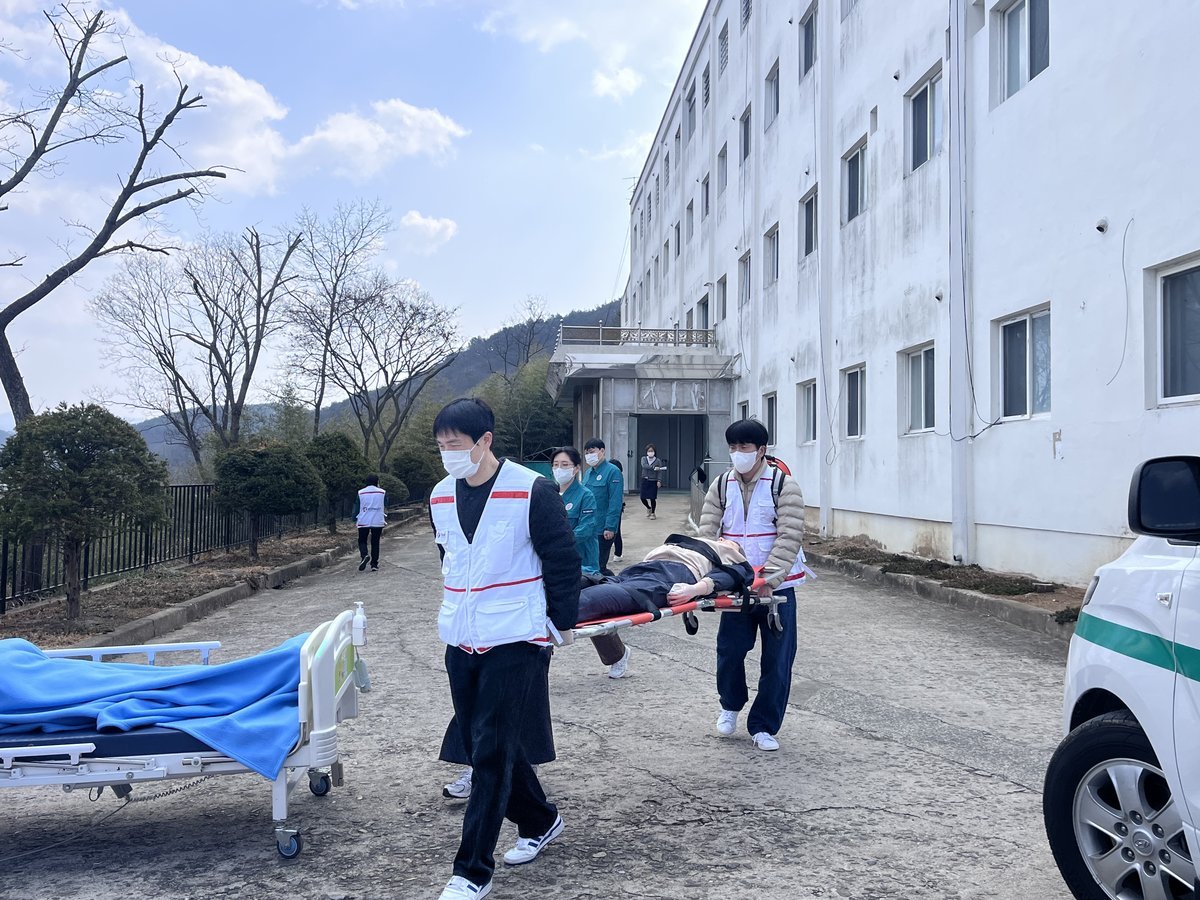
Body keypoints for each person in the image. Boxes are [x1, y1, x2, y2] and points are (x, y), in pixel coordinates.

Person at [429, 398, 581, 900]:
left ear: (485, 441)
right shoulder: (440, 495)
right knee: (483, 743)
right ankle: (540, 819)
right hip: (461, 635)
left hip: (516, 636)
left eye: (455, 444)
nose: (448, 453)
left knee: (490, 753)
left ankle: (472, 871)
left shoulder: (530, 489)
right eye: (441, 445)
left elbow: (562, 559)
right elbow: (450, 557)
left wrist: (560, 623)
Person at [699, 418, 809, 753]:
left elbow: (789, 535)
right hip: (737, 585)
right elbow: (707, 533)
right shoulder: (721, 485)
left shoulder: (783, 485)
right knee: (729, 650)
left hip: (777, 590)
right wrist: (711, 576)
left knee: (777, 659)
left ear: (761, 450)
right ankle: (730, 704)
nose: (737, 453)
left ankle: (763, 726)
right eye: (732, 447)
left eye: (744, 447)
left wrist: (769, 580)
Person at [578, 535, 754, 680]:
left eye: (733, 543)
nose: (724, 539)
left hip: (668, 577)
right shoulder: (693, 542)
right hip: (638, 570)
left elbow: (730, 577)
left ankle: (561, 618)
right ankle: (614, 652)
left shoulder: (732, 558)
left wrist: (694, 589)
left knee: (589, 601)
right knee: (575, 583)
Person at [552, 447, 599, 575]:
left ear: (576, 468)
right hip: (554, 560)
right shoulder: (549, 493)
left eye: (565, 465)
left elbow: (586, 528)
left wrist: (559, 542)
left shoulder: (585, 495)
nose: (559, 469)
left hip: (582, 561)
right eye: (555, 465)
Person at [582, 438, 624, 577]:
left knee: (599, 566)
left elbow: (615, 501)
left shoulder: (613, 471)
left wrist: (610, 526)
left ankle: (612, 584)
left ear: (602, 451)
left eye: (592, 452)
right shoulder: (588, 473)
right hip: (588, 527)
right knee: (588, 565)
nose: (589, 456)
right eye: (587, 453)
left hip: (603, 528)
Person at [354, 474, 386, 571]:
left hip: (364, 520)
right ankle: (374, 564)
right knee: (375, 542)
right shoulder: (382, 492)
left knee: (362, 540)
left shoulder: (360, 493)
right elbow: (386, 503)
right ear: (377, 482)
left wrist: (354, 518)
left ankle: (364, 555)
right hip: (377, 520)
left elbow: (357, 507)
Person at [638, 444, 668, 520]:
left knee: (652, 498)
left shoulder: (658, 460)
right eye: (649, 451)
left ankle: (653, 513)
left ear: (654, 452)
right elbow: (644, 466)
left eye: (652, 451)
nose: (650, 452)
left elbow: (659, 472)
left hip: (653, 481)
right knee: (642, 497)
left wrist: (659, 481)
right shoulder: (644, 459)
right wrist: (654, 467)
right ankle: (649, 508)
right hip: (645, 479)